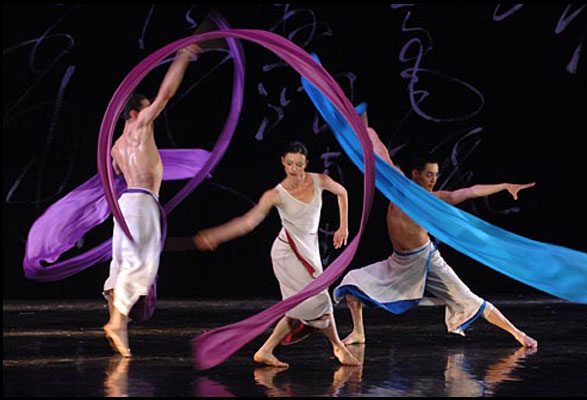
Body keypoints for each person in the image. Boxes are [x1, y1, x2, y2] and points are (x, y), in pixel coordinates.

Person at [334, 109, 538, 349]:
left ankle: (517, 333)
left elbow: (467, 192)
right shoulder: (397, 185)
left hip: (426, 259)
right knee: (352, 282)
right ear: (415, 174)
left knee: (467, 298)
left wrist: (503, 185)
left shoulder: (434, 199)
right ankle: (359, 332)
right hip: (399, 261)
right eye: (429, 175)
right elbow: (376, 149)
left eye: (436, 175)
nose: (433, 180)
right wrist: (363, 125)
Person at [193, 141, 361, 367]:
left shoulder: (318, 180)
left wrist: (344, 226)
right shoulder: (275, 194)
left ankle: (265, 350)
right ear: (283, 162)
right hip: (288, 254)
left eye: (299, 164)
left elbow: (342, 192)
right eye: (290, 163)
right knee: (319, 302)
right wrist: (218, 235)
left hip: (309, 251)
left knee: (298, 308)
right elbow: (247, 223)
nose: (294, 169)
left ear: (306, 164)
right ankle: (338, 347)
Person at [103, 41, 204, 357]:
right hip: (143, 203)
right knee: (142, 267)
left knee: (120, 264)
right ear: (134, 112)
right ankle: (117, 323)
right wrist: (183, 59)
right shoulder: (141, 126)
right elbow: (166, 94)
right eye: (145, 110)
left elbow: (113, 176)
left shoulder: (115, 147)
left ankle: (117, 326)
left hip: (123, 205)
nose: (152, 115)